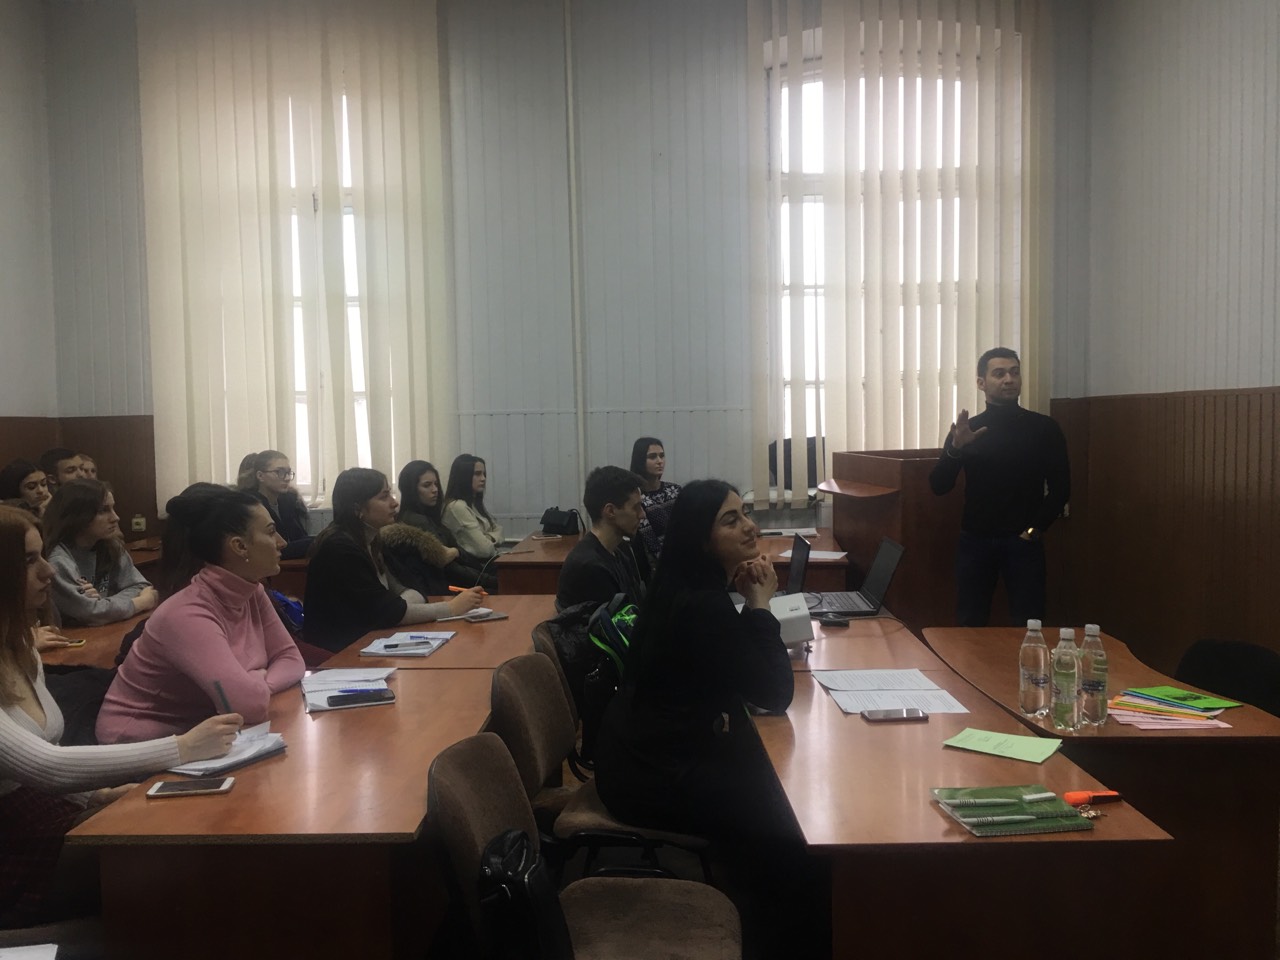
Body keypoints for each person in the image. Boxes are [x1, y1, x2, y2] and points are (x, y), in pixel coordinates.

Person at [593, 479, 820, 958]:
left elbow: (741, 671)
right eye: (730, 520)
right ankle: (785, 933)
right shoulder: (701, 604)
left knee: (770, 785)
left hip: (640, 755)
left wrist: (750, 611)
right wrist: (761, 605)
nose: (749, 527)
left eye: (745, 513)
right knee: (791, 829)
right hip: (650, 776)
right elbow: (774, 692)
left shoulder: (686, 585)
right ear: (701, 540)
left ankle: (763, 901)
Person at [0, 505, 241, 928]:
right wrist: (182, 748)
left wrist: (93, 798)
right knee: (185, 862)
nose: (48, 572)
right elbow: (45, 765)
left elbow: (43, 757)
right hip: (13, 849)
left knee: (202, 827)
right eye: (28, 561)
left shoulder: (20, 651)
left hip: (46, 814)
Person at [95, 485, 306, 744]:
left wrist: (256, 683)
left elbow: (291, 659)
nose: (282, 542)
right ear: (240, 546)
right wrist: (250, 685)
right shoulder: (186, 614)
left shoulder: (252, 592)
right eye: (271, 532)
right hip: (140, 743)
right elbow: (248, 706)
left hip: (205, 729)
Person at [929, 347, 1071, 627]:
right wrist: (956, 448)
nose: (1009, 379)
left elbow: (1061, 488)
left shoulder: (1044, 428)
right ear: (981, 382)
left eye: (1014, 372)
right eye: (999, 373)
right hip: (975, 541)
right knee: (970, 622)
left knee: (1029, 623)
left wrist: (1033, 531)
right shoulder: (967, 429)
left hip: (1023, 543)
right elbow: (939, 486)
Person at [304, 468, 485, 653]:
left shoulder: (372, 540)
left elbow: (409, 591)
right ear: (357, 508)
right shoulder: (340, 549)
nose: (394, 503)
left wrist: (399, 606)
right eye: (384, 497)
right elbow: (388, 611)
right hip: (337, 654)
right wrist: (451, 608)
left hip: (368, 641)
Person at [42, 479, 158, 627]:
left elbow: (141, 586)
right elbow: (91, 613)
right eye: (104, 510)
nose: (115, 518)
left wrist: (104, 604)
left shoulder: (111, 546)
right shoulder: (58, 561)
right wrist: (140, 603)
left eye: (113, 508)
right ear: (78, 516)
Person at [394, 460, 497, 592]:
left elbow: (459, 554)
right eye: (427, 485)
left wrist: (456, 552)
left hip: (457, 582)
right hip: (446, 590)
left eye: (436, 484)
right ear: (411, 490)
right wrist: (492, 581)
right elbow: (451, 568)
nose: (435, 490)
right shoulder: (417, 521)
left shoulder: (429, 518)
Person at [555, 465, 647, 611]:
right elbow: (621, 622)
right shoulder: (590, 568)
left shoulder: (619, 549)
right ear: (610, 511)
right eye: (636, 507)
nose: (642, 514)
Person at [235, 450, 312, 560]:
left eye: (288, 472)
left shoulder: (288, 501)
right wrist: (315, 542)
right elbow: (272, 549)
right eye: (279, 472)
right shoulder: (251, 505)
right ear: (260, 476)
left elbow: (300, 536)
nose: (287, 478)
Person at [442, 454, 503, 562]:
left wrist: (487, 538)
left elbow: (500, 531)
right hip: (477, 567)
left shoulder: (474, 503)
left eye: (484, 474)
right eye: (477, 474)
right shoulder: (457, 507)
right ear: (463, 476)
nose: (483, 478)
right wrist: (490, 539)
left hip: (489, 562)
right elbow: (484, 550)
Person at [629, 436, 681, 559]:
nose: (659, 461)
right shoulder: (634, 497)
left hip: (680, 555)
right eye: (652, 457)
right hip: (645, 560)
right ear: (640, 460)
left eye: (662, 456)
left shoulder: (675, 491)